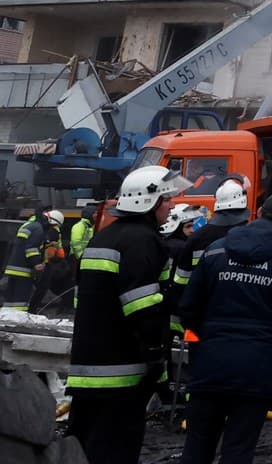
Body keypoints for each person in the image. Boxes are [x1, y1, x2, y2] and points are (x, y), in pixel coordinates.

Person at [177, 191, 272, 464]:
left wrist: (206, 339)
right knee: (239, 448)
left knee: (197, 445)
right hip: (260, 366)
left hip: (211, 363)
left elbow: (189, 305)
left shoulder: (217, 249)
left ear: (260, 212)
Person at [68, 164, 184, 464]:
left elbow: (85, 304)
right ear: (149, 201)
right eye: (167, 199)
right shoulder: (144, 241)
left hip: (87, 367)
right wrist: (157, 355)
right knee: (116, 448)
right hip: (122, 371)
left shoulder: (103, 238)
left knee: (82, 445)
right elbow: (143, 308)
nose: (171, 205)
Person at [4, 208, 62, 313]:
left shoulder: (30, 225)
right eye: (53, 226)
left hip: (14, 266)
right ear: (50, 221)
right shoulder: (38, 229)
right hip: (23, 269)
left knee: (11, 297)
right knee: (21, 298)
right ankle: (19, 319)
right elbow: (31, 248)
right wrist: (36, 263)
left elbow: (24, 244)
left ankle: (7, 317)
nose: (52, 228)